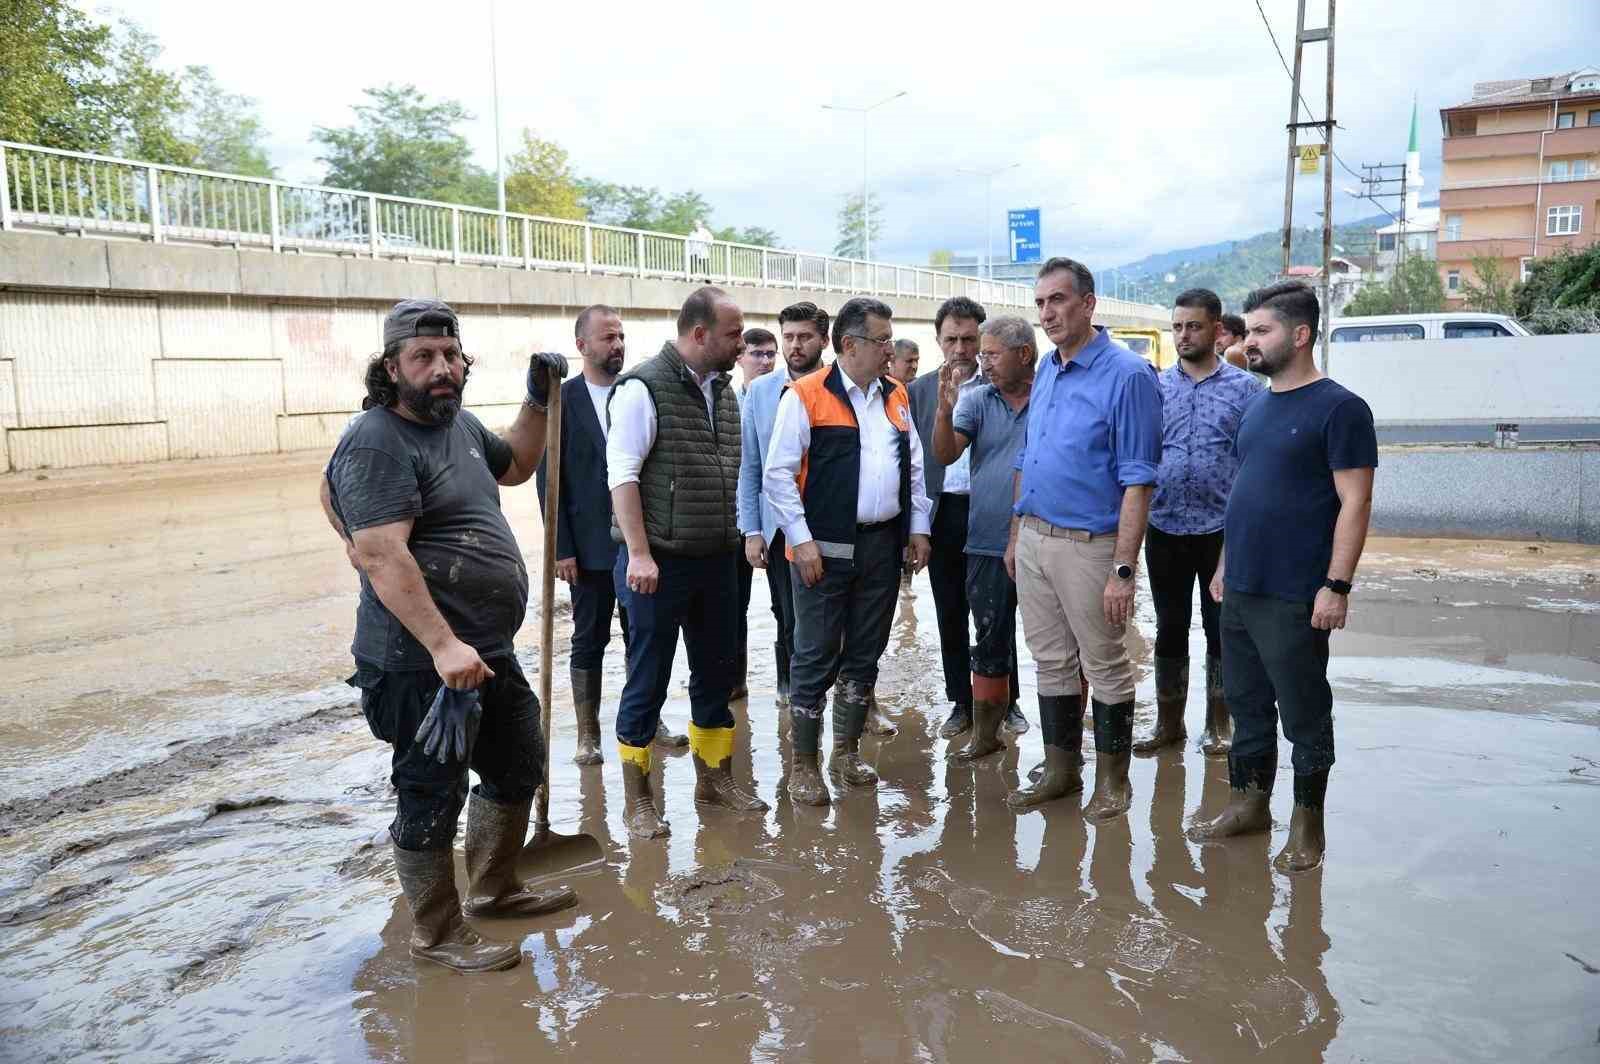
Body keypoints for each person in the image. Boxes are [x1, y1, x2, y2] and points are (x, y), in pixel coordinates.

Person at [321, 299, 576, 973]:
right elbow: (378, 549)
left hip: (482, 651)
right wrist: (442, 645)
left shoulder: (457, 425)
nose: (442, 369)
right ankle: (436, 933)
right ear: (391, 368)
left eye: (451, 355)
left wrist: (537, 401)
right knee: (431, 791)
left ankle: (493, 888)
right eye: (424, 357)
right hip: (418, 661)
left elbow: (516, 465)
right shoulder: (377, 439)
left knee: (519, 758)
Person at [1189, 281, 1376, 875]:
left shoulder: (1341, 408)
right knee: (1245, 703)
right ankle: (1248, 803)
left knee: (1303, 711)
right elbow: (1246, 491)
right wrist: (1223, 565)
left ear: (1299, 335)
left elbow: (1356, 502)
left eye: (1261, 331)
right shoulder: (1258, 403)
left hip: (1297, 591)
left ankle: (1307, 826)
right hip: (1240, 585)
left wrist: (1336, 585)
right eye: (1248, 331)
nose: (1249, 342)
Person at [1004, 258, 1162, 823]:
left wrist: (1124, 569)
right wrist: (1017, 531)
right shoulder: (1048, 368)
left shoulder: (1129, 375)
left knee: (1106, 663)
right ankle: (1061, 770)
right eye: (1041, 302)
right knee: (1050, 661)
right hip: (1037, 538)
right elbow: (1029, 456)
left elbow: (1138, 479)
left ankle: (1113, 782)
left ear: (1088, 304)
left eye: (1059, 300)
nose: (1047, 312)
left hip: (1091, 546)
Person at [607, 287, 768, 839]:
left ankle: (714, 780)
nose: (740, 343)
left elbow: (741, 468)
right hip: (658, 565)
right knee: (646, 679)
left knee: (717, 673)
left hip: (718, 559)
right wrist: (639, 553)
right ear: (699, 334)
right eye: (732, 334)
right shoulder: (642, 389)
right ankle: (640, 801)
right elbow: (622, 476)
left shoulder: (724, 391)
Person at [764, 297, 933, 806]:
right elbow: (778, 474)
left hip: (882, 545)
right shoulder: (806, 396)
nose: (890, 349)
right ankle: (805, 766)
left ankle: (846, 751)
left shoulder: (896, 396)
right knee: (813, 655)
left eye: (889, 339)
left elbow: (915, 470)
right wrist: (800, 540)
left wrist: (918, 529)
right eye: (882, 340)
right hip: (822, 549)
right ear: (849, 345)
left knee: (865, 651)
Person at [537, 305, 687, 767]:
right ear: (582, 345)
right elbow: (548, 480)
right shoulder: (562, 401)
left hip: (639, 541)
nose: (617, 345)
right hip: (587, 548)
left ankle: (646, 718)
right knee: (589, 638)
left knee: (645, 634)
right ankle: (588, 733)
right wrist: (561, 548)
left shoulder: (639, 390)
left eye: (620, 337)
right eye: (607, 338)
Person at [1134, 289, 1261, 758]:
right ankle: (1169, 724)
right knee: (1168, 627)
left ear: (1216, 331)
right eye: (1178, 327)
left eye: (1194, 326)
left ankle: (1219, 724)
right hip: (1164, 525)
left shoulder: (1245, 389)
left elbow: (1253, 465)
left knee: (1221, 628)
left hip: (1220, 532)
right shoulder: (1155, 386)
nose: (1184, 335)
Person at [910, 297, 1026, 739]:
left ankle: (1008, 701)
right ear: (938, 341)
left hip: (993, 512)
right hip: (942, 513)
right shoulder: (919, 391)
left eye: (969, 339)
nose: (960, 348)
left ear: (982, 340)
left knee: (999, 610)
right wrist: (914, 527)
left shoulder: (999, 386)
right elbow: (912, 462)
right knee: (949, 611)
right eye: (951, 339)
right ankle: (961, 701)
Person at [930, 316, 1037, 771]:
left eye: (992, 353)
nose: (983, 361)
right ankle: (986, 734)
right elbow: (945, 453)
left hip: (1048, 540)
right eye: (984, 353)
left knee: (1059, 644)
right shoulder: (976, 400)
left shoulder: (1052, 398)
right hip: (986, 542)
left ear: (1024, 355)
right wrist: (942, 409)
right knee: (989, 635)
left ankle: (1061, 747)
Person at [737, 302, 830, 706]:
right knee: (787, 613)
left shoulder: (841, 385)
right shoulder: (760, 392)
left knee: (844, 614)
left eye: (804, 336)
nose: (795, 345)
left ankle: (857, 695)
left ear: (824, 340)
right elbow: (750, 465)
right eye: (789, 337)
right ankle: (791, 690)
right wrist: (752, 529)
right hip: (778, 526)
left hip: (832, 520)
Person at [729, 326, 780, 701]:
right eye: (756, 354)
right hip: (731, 521)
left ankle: (788, 686)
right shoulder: (724, 400)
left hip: (778, 519)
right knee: (732, 604)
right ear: (739, 357)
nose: (763, 361)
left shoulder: (784, 396)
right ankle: (735, 681)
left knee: (785, 606)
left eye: (769, 354)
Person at [736, 327, 778, 397]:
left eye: (771, 354)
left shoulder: (788, 399)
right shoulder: (730, 404)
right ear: (739, 359)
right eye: (757, 354)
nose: (766, 362)